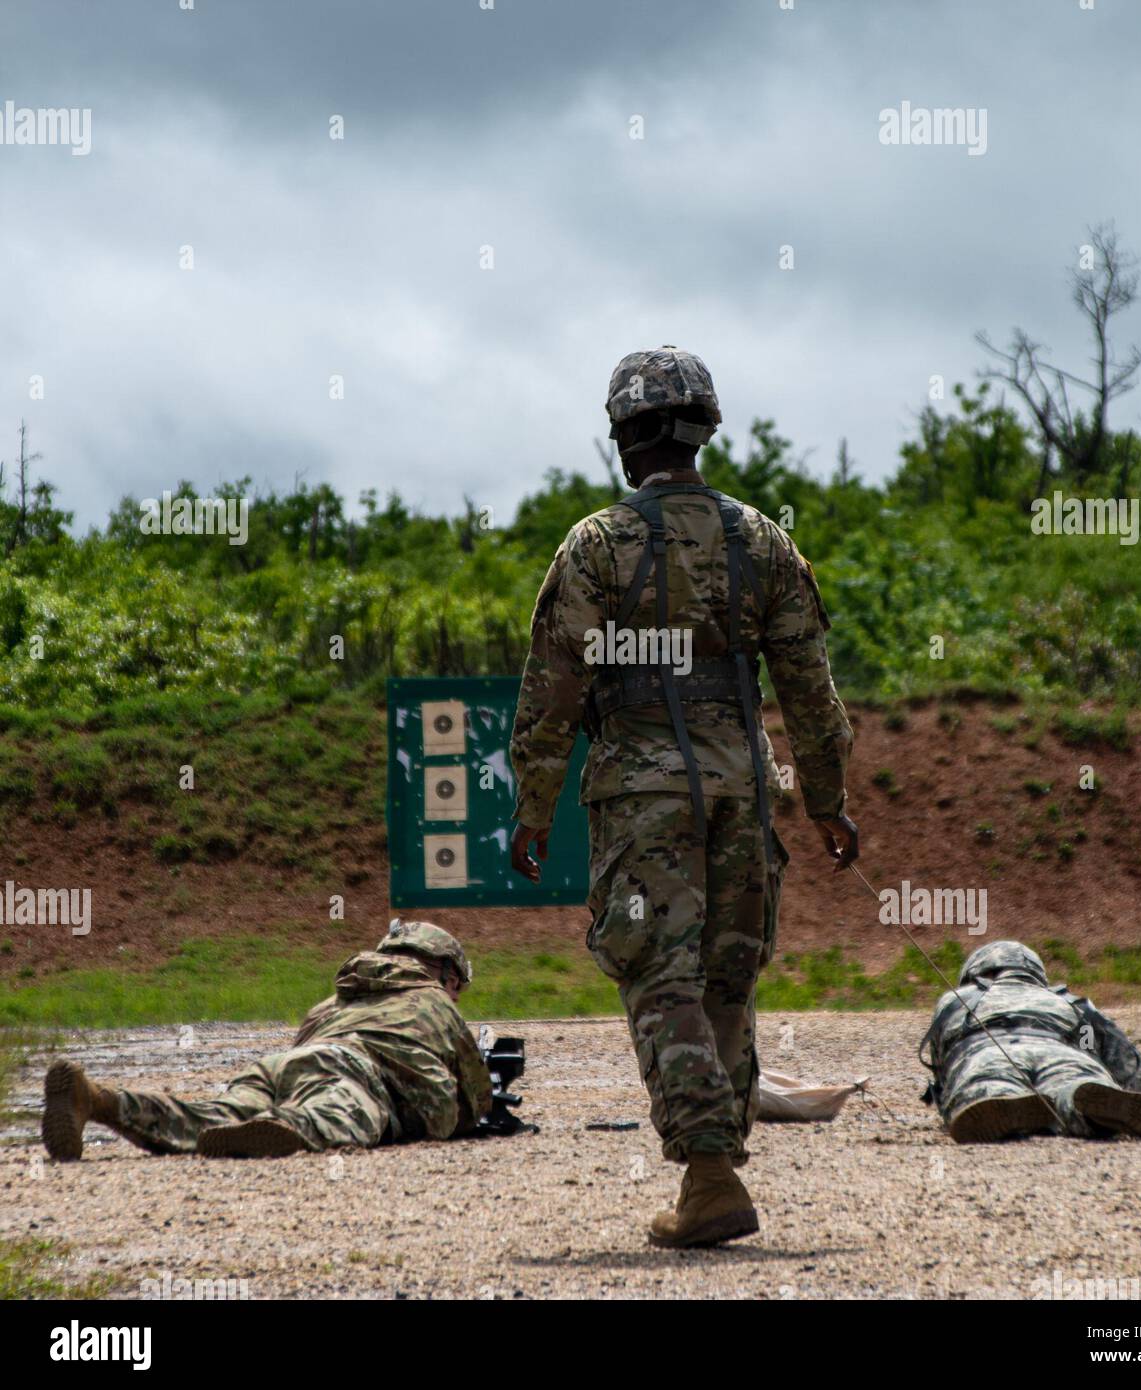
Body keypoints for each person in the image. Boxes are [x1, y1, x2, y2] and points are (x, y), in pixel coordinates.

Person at [510, 346, 856, 1247]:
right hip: (743, 785)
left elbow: (550, 692)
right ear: (704, 429)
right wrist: (824, 799)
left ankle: (709, 1175)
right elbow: (812, 695)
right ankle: (714, 1173)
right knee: (725, 973)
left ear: (625, 437)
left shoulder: (596, 545)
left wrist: (532, 807)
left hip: (639, 794)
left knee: (659, 974)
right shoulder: (764, 542)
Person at [42, 920, 492, 1160]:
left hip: (279, 1066)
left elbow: (305, 1052)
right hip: (353, 1074)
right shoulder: (435, 1000)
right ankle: (285, 1128)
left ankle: (98, 1100)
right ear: (445, 972)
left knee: (210, 1115)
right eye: (457, 986)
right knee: (337, 1114)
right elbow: (473, 1100)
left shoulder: (330, 1003)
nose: (456, 996)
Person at [920, 939, 1141, 1142]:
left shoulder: (957, 998)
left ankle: (1006, 1101)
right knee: (1078, 1082)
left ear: (977, 972)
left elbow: (944, 1066)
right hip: (1065, 1052)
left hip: (989, 1053)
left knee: (987, 1085)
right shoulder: (1069, 1002)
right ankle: (1081, 1100)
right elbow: (1122, 1058)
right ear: (1037, 974)